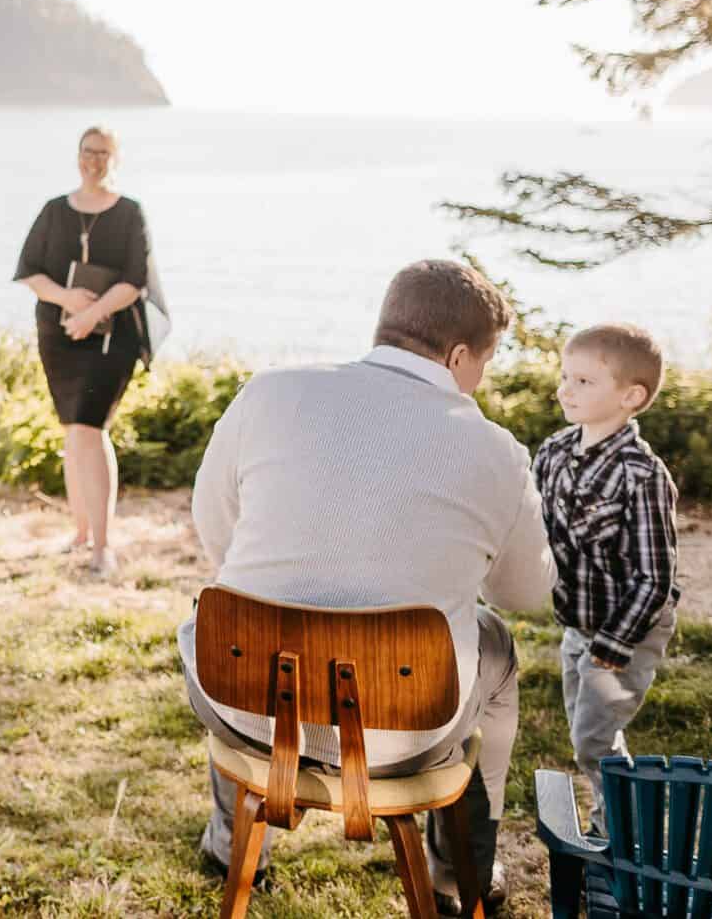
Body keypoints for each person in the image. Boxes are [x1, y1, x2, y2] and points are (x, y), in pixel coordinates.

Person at [180, 259, 555, 915]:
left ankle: (230, 843)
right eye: (483, 364)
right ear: (461, 355)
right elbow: (525, 593)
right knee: (495, 645)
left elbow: (218, 532)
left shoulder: (269, 391)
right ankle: (460, 872)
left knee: (227, 616)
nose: (480, 379)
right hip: (401, 732)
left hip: (247, 704)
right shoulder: (496, 449)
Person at [534, 322, 679, 801]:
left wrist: (612, 646)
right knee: (586, 732)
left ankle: (619, 833)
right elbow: (533, 528)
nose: (565, 390)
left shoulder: (641, 475)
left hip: (629, 629)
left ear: (631, 396)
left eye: (583, 382)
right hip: (580, 623)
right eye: (565, 376)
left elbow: (655, 576)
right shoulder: (553, 452)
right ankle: (617, 818)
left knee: (593, 740)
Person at [11, 125, 161, 575]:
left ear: (115, 159)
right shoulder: (54, 211)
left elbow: (135, 281)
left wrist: (90, 315)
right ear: (77, 156)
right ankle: (79, 533)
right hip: (59, 336)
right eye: (87, 151)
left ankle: (103, 547)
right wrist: (67, 300)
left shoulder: (130, 212)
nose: (93, 159)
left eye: (102, 152)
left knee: (91, 430)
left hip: (113, 337)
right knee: (72, 432)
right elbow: (29, 272)